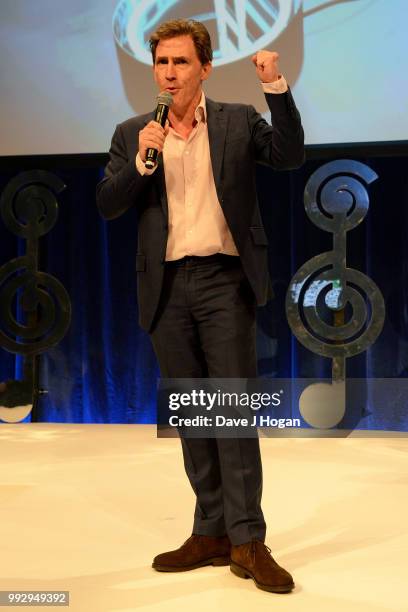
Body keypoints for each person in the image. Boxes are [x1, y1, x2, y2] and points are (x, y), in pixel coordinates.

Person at [96, 19, 304, 594]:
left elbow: (289, 156)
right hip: (165, 288)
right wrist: (141, 163)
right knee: (193, 416)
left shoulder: (237, 121)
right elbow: (108, 203)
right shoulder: (134, 132)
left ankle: (248, 538)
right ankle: (210, 530)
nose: (169, 73)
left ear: (205, 68)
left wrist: (276, 86)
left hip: (222, 280)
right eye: (161, 63)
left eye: (181, 62)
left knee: (231, 414)